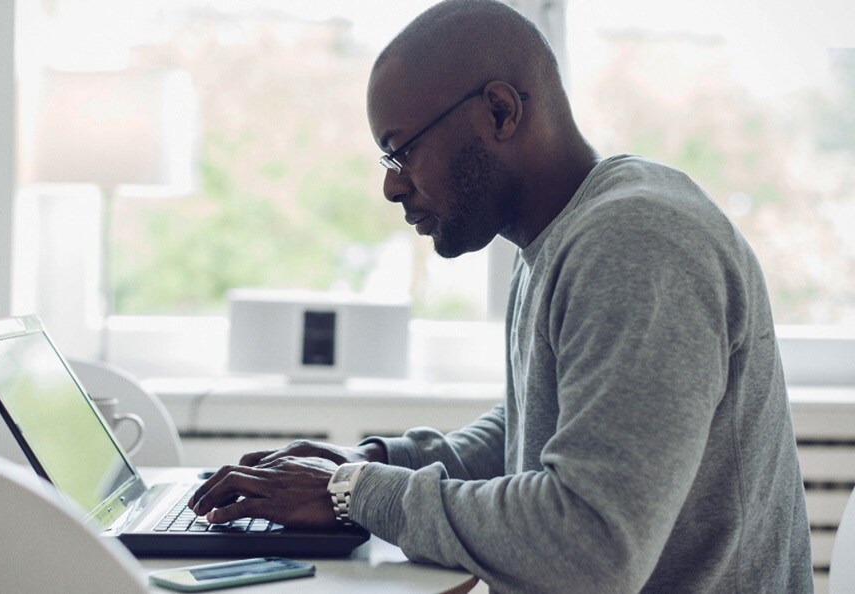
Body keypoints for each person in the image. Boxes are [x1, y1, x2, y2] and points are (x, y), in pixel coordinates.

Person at [188, 0, 814, 591]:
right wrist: (371, 461)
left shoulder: (636, 242)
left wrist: (358, 492)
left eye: (401, 150)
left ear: (500, 112)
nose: (392, 188)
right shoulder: (564, 236)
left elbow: (592, 548)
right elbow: (535, 431)